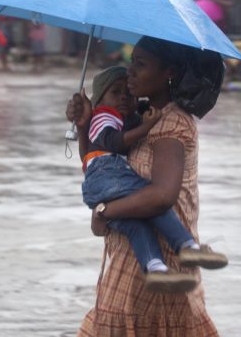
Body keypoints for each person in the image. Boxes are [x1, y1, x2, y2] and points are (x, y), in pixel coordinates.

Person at [67, 36, 222, 336]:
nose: (130, 73)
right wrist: (86, 124)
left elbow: (162, 197)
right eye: (130, 63)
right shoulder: (137, 121)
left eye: (141, 64)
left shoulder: (169, 124)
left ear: (169, 72)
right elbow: (99, 166)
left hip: (155, 272)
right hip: (131, 265)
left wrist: (104, 210)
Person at [80, 66, 227, 293]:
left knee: (137, 227)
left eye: (127, 93)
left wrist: (102, 211)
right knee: (148, 200)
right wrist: (146, 125)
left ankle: (155, 269)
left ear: (167, 71)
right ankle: (186, 245)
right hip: (107, 173)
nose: (124, 96)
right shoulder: (103, 117)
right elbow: (112, 143)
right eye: (116, 92)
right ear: (99, 101)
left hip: (103, 182)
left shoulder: (165, 121)